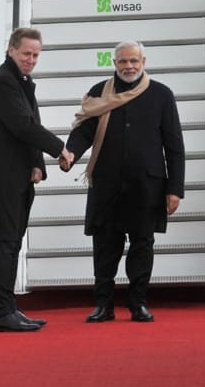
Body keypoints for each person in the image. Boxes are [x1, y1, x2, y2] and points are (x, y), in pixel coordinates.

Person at [63, 41, 184, 323]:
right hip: (107, 185)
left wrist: (175, 189)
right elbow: (84, 131)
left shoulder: (161, 95)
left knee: (142, 245)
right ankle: (103, 305)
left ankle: (138, 304)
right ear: (114, 63)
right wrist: (70, 153)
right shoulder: (99, 93)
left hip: (146, 186)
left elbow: (174, 145)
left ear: (143, 62)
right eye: (123, 61)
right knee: (105, 247)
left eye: (134, 61)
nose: (129, 66)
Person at [0, 27, 70, 332]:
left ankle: (4, 307)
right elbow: (23, 126)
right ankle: (1, 312)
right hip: (2, 179)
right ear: (11, 50)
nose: (31, 60)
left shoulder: (21, 82)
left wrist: (36, 164)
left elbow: (30, 124)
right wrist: (60, 149)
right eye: (26, 53)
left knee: (11, 243)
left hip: (17, 177)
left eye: (36, 55)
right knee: (4, 244)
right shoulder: (3, 82)